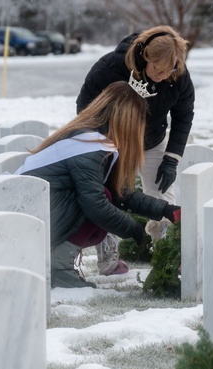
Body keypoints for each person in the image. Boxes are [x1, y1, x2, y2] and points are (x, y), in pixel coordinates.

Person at [15, 81, 181, 288]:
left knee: (103, 196)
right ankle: (59, 267)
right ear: (126, 119)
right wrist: (135, 231)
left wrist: (165, 209)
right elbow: (96, 203)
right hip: (29, 218)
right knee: (99, 201)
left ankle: (57, 263)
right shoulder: (89, 146)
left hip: (32, 210)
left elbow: (121, 193)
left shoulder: (90, 139)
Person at [75, 26, 194, 274]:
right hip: (113, 139)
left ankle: (166, 254)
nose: (162, 76)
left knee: (163, 193)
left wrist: (171, 159)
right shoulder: (110, 68)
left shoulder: (178, 74)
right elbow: (84, 107)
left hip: (153, 139)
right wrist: (102, 143)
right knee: (108, 193)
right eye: (156, 69)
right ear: (143, 56)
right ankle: (107, 254)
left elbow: (183, 115)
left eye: (168, 70)